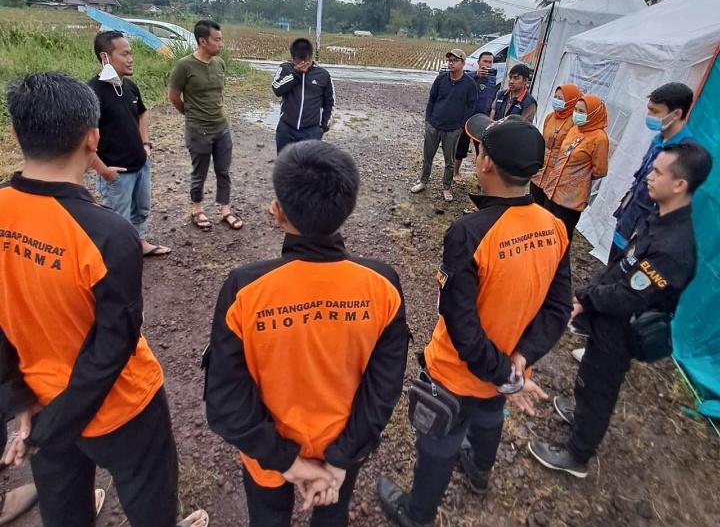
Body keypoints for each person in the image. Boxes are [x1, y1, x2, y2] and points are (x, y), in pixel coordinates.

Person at [0, 72, 208, 527]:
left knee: (63, 507)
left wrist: (22, 403)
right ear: (92, 139)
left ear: (15, 134)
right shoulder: (109, 233)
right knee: (149, 498)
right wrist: (58, 421)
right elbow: (114, 344)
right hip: (121, 407)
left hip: (39, 401)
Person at [377, 115, 572, 527]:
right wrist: (518, 361)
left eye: (480, 148)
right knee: (488, 418)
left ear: (485, 163)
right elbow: (558, 308)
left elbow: (461, 324)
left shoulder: (469, 232)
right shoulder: (554, 227)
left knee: (440, 443)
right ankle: (480, 472)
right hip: (506, 368)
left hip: (457, 374)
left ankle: (418, 514)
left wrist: (506, 373)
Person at [205, 141, 409, 527]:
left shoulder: (244, 289)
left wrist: (287, 462)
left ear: (277, 212)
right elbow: (383, 387)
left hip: (268, 460)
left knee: (267, 519)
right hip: (342, 451)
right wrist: (336, 459)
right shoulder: (382, 284)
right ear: (347, 211)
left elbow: (225, 397)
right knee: (332, 515)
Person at [529, 143, 712, 478]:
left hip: (623, 328)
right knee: (589, 377)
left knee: (599, 386)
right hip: (609, 317)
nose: (648, 178)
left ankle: (576, 454)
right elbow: (622, 267)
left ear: (680, 185)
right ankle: (581, 413)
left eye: (657, 172)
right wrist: (588, 295)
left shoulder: (673, 248)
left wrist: (585, 299)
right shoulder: (659, 218)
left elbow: (628, 296)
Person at [88, 31, 170, 257]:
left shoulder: (130, 87)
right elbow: (83, 138)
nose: (130, 58)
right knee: (117, 218)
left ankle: (139, 243)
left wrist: (146, 146)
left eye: (131, 53)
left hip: (140, 164)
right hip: (116, 172)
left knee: (141, 211)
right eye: (124, 54)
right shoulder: (93, 92)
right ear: (105, 57)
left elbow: (142, 115)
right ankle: (117, 258)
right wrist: (104, 171)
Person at [168, 19, 242, 231]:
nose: (221, 44)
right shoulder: (184, 66)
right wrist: (191, 115)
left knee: (223, 171)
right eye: (216, 40)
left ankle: (225, 210)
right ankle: (197, 209)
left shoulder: (219, 63)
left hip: (221, 127)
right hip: (198, 131)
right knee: (199, 172)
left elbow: (219, 93)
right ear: (202, 41)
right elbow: (173, 96)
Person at [610, 82, 696, 262]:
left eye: (655, 112)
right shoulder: (658, 140)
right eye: (649, 110)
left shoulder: (684, 153)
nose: (649, 116)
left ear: (677, 114)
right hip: (626, 223)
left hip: (643, 236)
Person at [410, 49, 477, 202]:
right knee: (428, 157)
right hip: (434, 125)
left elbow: (471, 106)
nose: (451, 63)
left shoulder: (469, 84)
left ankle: (446, 187)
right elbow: (432, 100)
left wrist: (460, 126)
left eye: (455, 60)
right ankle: (423, 181)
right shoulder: (440, 79)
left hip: (453, 129)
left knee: (449, 162)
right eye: (449, 60)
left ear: (463, 63)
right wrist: (428, 121)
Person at [541, 94, 609, 243]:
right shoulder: (574, 129)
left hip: (571, 197)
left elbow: (600, 170)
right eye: (576, 110)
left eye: (582, 111)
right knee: (545, 228)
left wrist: (578, 176)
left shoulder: (600, 138)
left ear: (594, 113)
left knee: (561, 235)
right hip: (553, 188)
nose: (577, 114)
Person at [271, 38, 336, 153]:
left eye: (305, 61)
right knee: (285, 165)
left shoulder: (322, 75)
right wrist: (296, 73)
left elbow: (330, 102)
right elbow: (277, 89)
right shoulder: (286, 69)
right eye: (298, 62)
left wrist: (323, 127)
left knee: (309, 167)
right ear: (293, 58)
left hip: (311, 131)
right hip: (287, 129)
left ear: (310, 58)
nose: (301, 64)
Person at [530, 83, 582, 206]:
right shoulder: (550, 117)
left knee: (547, 210)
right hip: (540, 170)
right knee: (533, 205)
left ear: (571, 101)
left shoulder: (575, 123)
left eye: (561, 99)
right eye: (555, 97)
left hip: (557, 175)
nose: (556, 101)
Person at [452, 51, 500, 185]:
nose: (488, 64)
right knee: (461, 147)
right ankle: (455, 173)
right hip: (467, 117)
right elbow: (461, 86)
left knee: (483, 149)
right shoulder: (469, 77)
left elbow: (492, 98)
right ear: (479, 62)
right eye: (485, 61)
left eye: (490, 62)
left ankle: (481, 178)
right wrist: (476, 76)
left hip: (483, 119)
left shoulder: (492, 79)